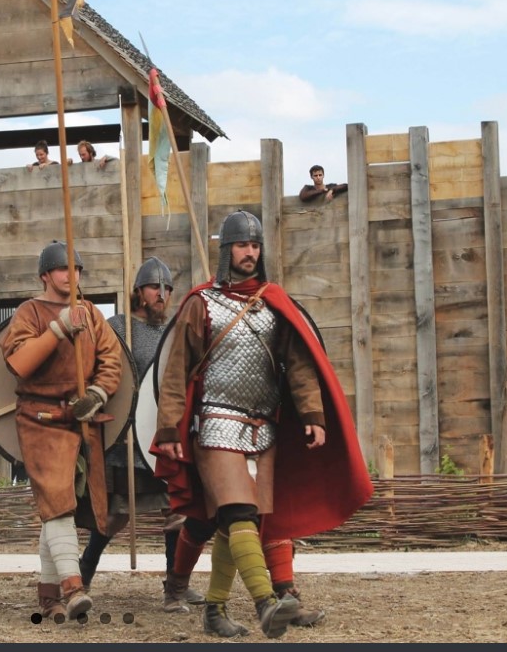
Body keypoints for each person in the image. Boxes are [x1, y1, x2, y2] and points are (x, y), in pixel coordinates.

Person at [153, 210, 372, 639]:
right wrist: (168, 429)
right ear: (226, 250)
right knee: (238, 513)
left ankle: (214, 610)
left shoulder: (274, 303)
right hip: (216, 422)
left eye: (255, 245)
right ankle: (265, 604)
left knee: (237, 524)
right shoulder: (201, 303)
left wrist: (312, 416)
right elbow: (176, 371)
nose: (249, 252)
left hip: (262, 429)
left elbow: (299, 365)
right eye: (242, 245)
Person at [2, 240, 123, 621]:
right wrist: (58, 329)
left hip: (81, 420)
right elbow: (19, 362)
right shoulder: (29, 312)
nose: (71, 275)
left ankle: (48, 595)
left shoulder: (91, 313)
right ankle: (73, 588)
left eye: (76, 269)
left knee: (59, 506)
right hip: (40, 419)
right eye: (62, 269)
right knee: (57, 504)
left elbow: (111, 359)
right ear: (45, 275)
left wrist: (98, 393)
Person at [77, 256, 203, 612]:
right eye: (154, 288)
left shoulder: (174, 332)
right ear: (138, 292)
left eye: (167, 289)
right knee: (113, 516)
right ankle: (81, 579)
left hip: (161, 437)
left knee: (177, 512)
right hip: (125, 439)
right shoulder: (118, 327)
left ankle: (175, 588)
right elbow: (99, 369)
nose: (162, 294)